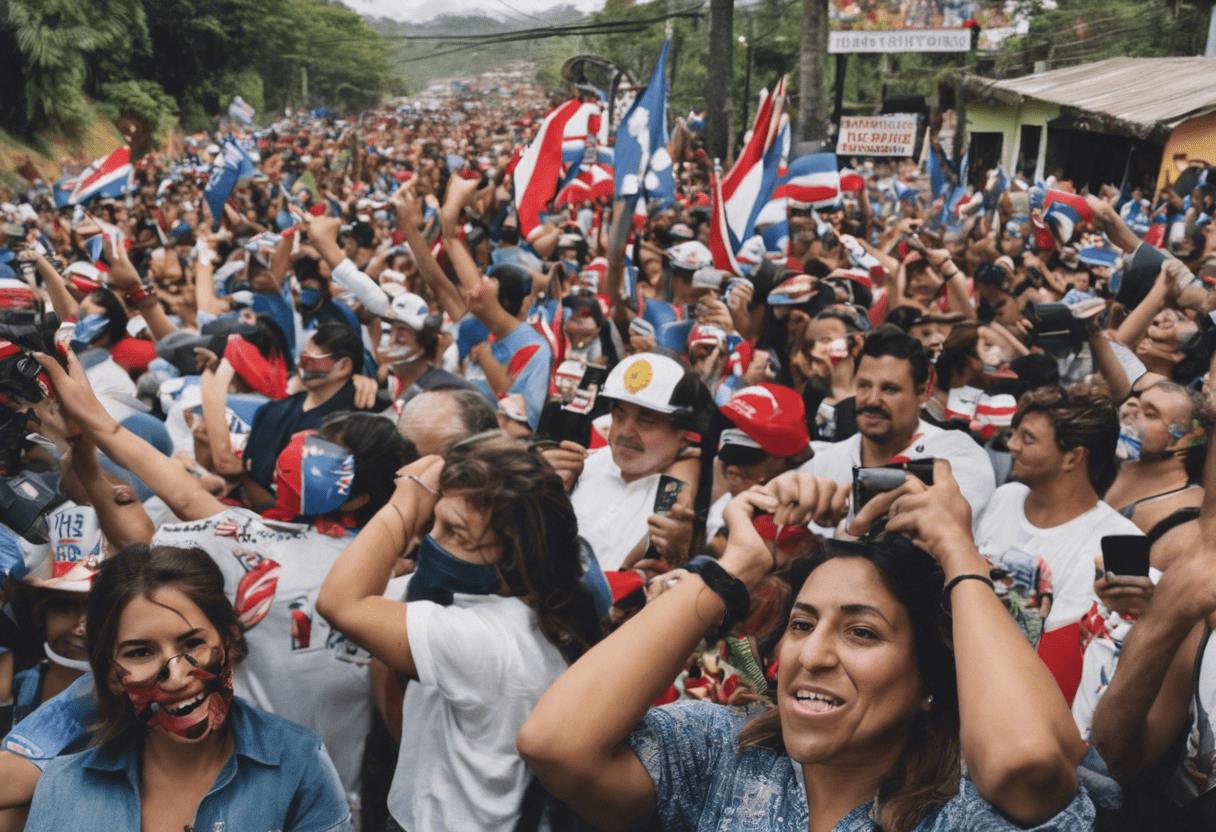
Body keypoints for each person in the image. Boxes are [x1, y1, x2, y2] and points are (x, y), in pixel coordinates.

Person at [517, 461, 1093, 831]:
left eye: (862, 632)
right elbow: (556, 742)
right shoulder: (726, 753)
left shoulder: (962, 814)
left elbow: (1026, 765)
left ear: (931, 681)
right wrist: (737, 567)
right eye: (801, 624)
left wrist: (958, 554)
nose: (812, 656)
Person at [33, 349, 409, 796]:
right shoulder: (391, 576)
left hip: (265, 789)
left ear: (358, 497)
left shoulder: (255, 541)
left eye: (330, 450)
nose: (308, 445)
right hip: (305, 791)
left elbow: (160, 506)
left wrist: (91, 418)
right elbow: (179, 495)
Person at [315, 434, 603, 831]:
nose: (433, 542)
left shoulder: (486, 638)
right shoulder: (520, 608)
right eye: (434, 521)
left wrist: (407, 502)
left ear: (516, 558)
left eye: (455, 532)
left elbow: (339, 603)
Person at [23, 543, 351, 832]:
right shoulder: (63, 788)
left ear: (231, 641)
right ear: (109, 671)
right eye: (140, 652)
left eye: (192, 643)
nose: (177, 676)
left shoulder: (298, 763)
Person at [972, 384, 1141, 704]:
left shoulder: (1122, 542)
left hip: (1033, 708)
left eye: (1028, 438)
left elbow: (1081, 669)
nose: (1012, 445)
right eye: (1014, 434)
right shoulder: (1005, 497)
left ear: (1073, 457)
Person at [799, 326, 996, 519]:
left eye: (890, 389)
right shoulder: (820, 463)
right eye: (864, 386)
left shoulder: (959, 454)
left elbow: (941, 521)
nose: (872, 400)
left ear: (924, 391)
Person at [567, 351, 711, 572]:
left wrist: (680, 554)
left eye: (646, 422)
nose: (625, 432)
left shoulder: (690, 497)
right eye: (619, 415)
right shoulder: (580, 466)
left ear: (684, 435)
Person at [242, 322, 388, 502]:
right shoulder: (271, 410)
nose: (304, 367)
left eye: (313, 361)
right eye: (303, 359)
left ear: (343, 366)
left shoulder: (361, 422)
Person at [1103, 381, 1207, 533]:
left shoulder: (1182, 512)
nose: (1131, 416)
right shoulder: (1111, 466)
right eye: (1136, 406)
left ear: (1185, 438)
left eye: (1150, 415)